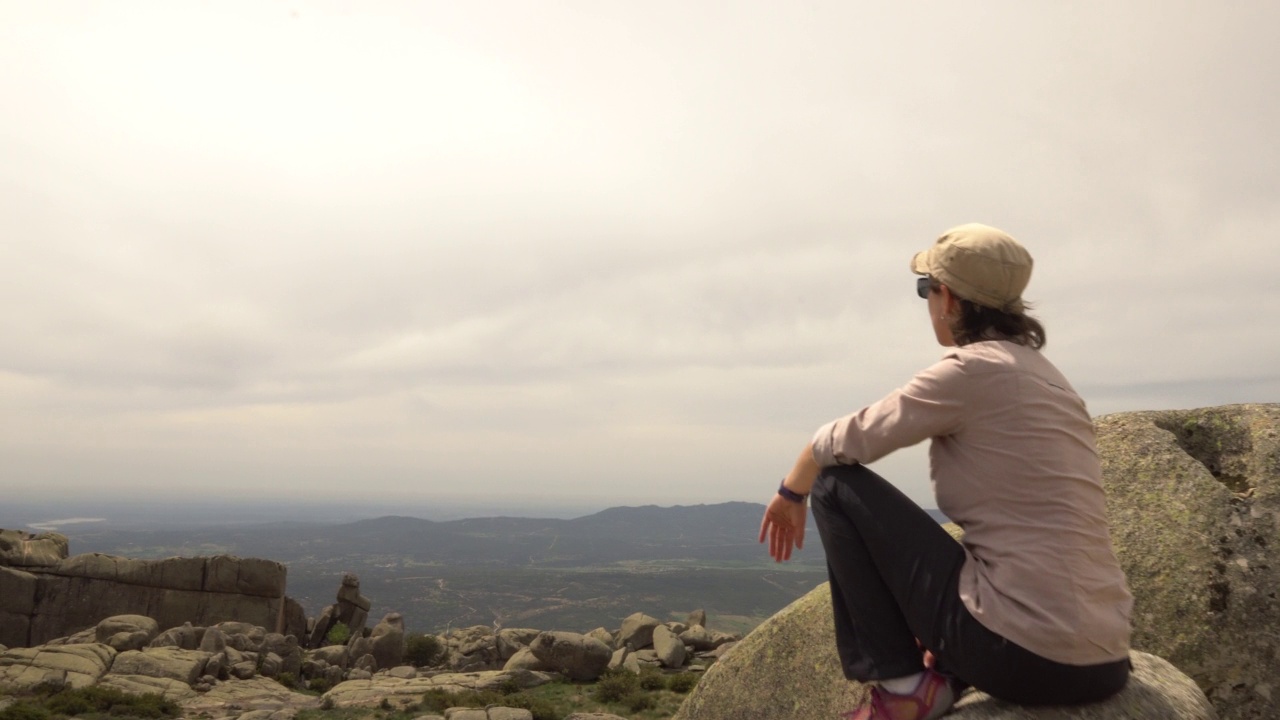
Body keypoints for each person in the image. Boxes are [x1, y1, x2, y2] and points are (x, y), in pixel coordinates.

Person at [758, 224, 1133, 720]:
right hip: (1105, 661)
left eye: (925, 289)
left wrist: (791, 490)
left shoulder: (970, 372)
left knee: (833, 487)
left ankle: (903, 688)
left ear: (949, 298)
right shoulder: (1051, 381)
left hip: (1026, 656)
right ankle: (948, 664)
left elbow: (842, 443)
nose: (927, 302)